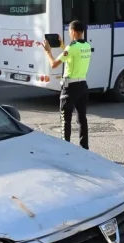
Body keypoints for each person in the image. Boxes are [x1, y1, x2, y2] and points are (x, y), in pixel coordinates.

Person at [42, 20, 92, 150]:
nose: (69, 34)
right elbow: (72, 55)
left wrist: (48, 51)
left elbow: (54, 64)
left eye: (70, 32)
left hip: (70, 88)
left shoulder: (72, 47)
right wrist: (62, 46)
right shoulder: (86, 45)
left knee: (66, 120)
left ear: (74, 32)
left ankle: (65, 149)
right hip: (83, 85)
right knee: (82, 119)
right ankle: (84, 148)